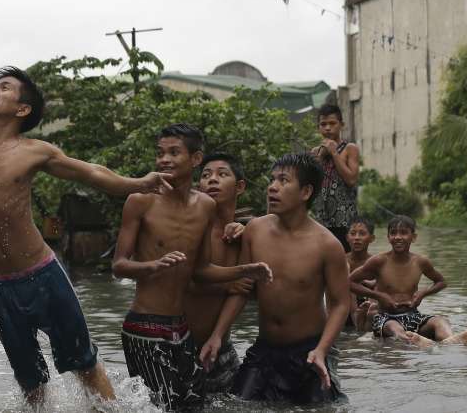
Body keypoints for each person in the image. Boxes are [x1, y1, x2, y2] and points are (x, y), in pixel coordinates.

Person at [0, 0, 169, 404]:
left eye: (3, 88)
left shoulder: (35, 151)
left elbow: (91, 172)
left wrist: (137, 183)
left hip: (41, 274)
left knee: (86, 366)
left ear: (23, 108)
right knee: (31, 384)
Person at [113, 129, 271, 410]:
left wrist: (245, 270)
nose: (164, 159)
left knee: (196, 406)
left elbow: (201, 270)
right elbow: (119, 266)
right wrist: (153, 265)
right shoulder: (140, 200)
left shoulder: (206, 207)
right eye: (160, 153)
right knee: (167, 407)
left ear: (195, 158)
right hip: (145, 327)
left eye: (174, 152)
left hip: (181, 331)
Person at [199, 153, 349, 405]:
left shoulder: (327, 245)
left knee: (322, 407)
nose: (272, 187)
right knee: (238, 405)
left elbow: (341, 303)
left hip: (310, 349)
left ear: (305, 192)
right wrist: (217, 335)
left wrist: (322, 349)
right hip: (265, 349)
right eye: (271, 180)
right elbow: (244, 288)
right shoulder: (255, 231)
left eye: (283, 180)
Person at [349, 215, 467, 347]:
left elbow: (441, 282)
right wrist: (379, 296)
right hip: (386, 317)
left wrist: (422, 293)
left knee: (440, 321)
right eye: (393, 233)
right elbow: (350, 282)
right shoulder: (379, 261)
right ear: (388, 237)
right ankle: (423, 343)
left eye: (404, 233)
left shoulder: (420, 261)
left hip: (413, 316)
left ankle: (450, 340)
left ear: (414, 237)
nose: (398, 237)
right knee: (395, 329)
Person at [182, 152, 253, 395]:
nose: (212, 180)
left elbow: (242, 288)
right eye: (205, 175)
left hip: (220, 346)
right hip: (178, 345)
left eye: (222, 174)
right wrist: (225, 285)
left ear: (240, 186)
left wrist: (217, 336)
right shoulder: (189, 230)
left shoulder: (243, 236)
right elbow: (175, 282)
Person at [310, 104, 360, 251]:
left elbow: (351, 180)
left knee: (345, 260)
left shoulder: (350, 149)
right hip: (320, 219)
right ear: (318, 127)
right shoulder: (315, 151)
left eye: (332, 123)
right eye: (323, 124)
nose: (327, 128)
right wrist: (319, 157)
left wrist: (334, 153)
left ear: (341, 125)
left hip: (344, 219)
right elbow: (310, 183)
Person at [346, 217, 378, 332]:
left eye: (362, 234)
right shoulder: (341, 260)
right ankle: (357, 321)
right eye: (353, 234)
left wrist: (370, 283)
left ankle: (370, 313)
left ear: (371, 238)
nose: (357, 238)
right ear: (347, 238)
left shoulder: (376, 261)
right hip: (347, 306)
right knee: (347, 281)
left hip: (370, 302)